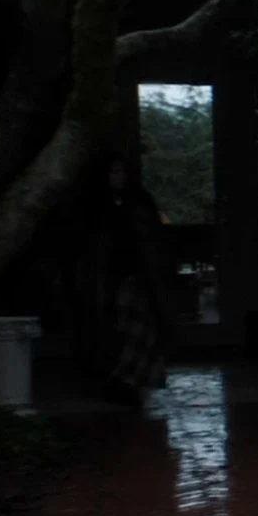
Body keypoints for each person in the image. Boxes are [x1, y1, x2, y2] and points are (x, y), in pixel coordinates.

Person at [71, 154, 172, 406]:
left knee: (136, 330)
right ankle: (116, 380)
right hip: (109, 277)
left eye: (122, 172)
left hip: (135, 274)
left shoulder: (138, 202)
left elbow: (152, 239)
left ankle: (129, 380)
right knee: (112, 329)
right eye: (114, 172)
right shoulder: (95, 206)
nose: (119, 177)